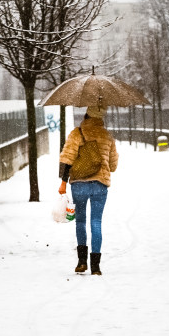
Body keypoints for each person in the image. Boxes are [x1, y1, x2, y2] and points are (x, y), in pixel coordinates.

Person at [58, 106, 119, 275]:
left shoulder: (76, 133)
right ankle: (96, 266)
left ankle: (82, 262)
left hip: (79, 183)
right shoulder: (107, 136)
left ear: (86, 115)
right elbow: (113, 166)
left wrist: (63, 182)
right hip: (100, 183)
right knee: (96, 222)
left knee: (80, 221)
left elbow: (66, 158)